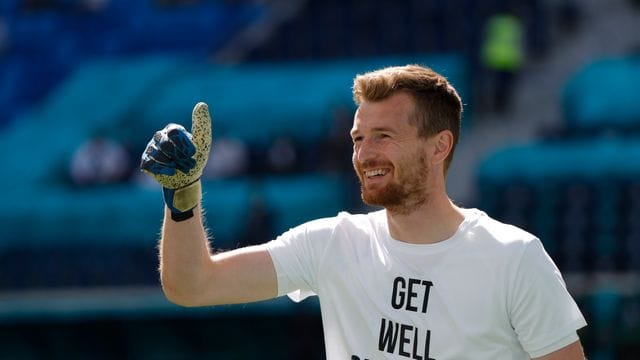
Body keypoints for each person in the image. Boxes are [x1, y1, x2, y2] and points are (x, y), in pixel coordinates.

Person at [140, 65, 587, 359]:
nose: (364, 154)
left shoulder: (514, 257)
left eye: (383, 136)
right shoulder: (332, 242)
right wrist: (183, 197)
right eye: (358, 138)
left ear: (439, 146)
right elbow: (192, 285)